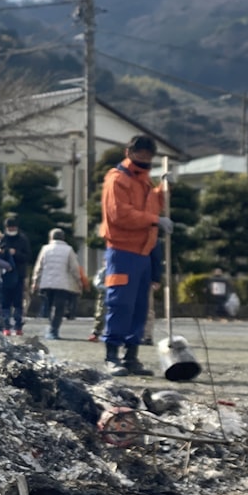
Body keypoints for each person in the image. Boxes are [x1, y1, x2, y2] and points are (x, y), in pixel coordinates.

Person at [99, 134, 171, 376]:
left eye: (148, 159)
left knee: (140, 307)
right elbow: (119, 214)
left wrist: (163, 190)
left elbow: (153, 207)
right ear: (128, 153)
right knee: (120, 303)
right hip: (121, 251)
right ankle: (111, 356)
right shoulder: (117, 179)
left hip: (144, 252)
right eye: (141, 158)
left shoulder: (145, 182)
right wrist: (155, 220)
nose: (144, 163)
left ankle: (132, 356)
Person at [30, 229, 82, 340]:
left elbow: (39, 267)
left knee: (48, 306)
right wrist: (78, 281)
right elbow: (74, 268)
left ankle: (50, 327)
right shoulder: (69, 250)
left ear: (51, 237)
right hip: (62, 284)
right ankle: (54, 330)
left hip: (47, 283)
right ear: (63, 238)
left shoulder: (45, 249)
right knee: (59, 308)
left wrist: (35, 281)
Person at [0, 215, 31, 335]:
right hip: (5, 275)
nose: (11, 230)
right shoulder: (3, 239)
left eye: (13, 228)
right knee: (5, 302)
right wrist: (2, 253)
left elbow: (27, 257)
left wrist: (16, 253)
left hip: (19, 275)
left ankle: (18, 326)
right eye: (9, 228)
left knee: (18, 301)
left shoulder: (23, 239)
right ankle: (6, 326)